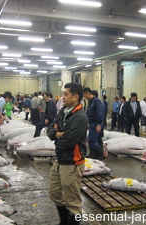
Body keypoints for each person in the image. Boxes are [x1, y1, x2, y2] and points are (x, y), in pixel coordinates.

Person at [47, 83, 88, 225]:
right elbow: (50, 129)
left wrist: (56, 138)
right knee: (55, 193)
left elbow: (67, 142)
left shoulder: (80, 118)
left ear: (75, 97)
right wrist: (56, 133)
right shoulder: (64, 111)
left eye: (66, 94)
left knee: (73, 202)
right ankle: (64, 221)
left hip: (72, 163)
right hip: (60, 160)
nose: (63, 97)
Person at [83, 87, 105, 160]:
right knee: (95, 140)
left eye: (84, 95)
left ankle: (101, 154)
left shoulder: (96, 101)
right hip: (91, 123)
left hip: (95, 124)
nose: (84, 97)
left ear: (87, 93)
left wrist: (99, 124)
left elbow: (100, 113)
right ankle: (92, 154)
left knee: (91, 140)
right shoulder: (90, 102)